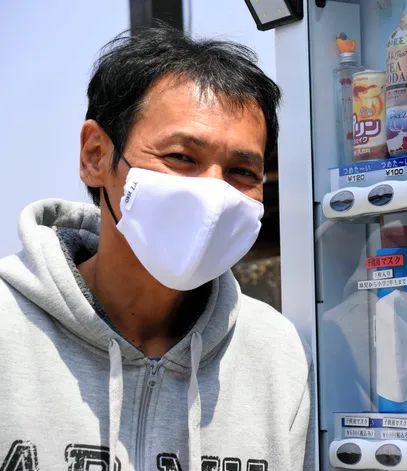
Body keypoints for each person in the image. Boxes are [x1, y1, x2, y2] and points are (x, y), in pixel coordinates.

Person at [0, 25, 313, 471]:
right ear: (95, 155)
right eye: (181, 158)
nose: (214, 193)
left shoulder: (277, 355)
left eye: (242, 172)